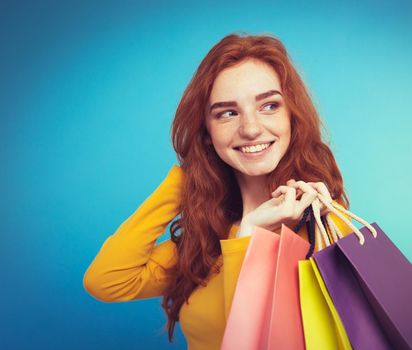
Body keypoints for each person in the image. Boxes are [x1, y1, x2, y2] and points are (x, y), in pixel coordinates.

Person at [83, 33, 354, 349]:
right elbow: (106, 280)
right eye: (227, 112)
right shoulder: (204, 242)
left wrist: (251, 237)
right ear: (207, 133)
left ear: (291, 117)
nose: (251, 128)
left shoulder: (323, 230)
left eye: (269, 105)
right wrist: (190, 173)